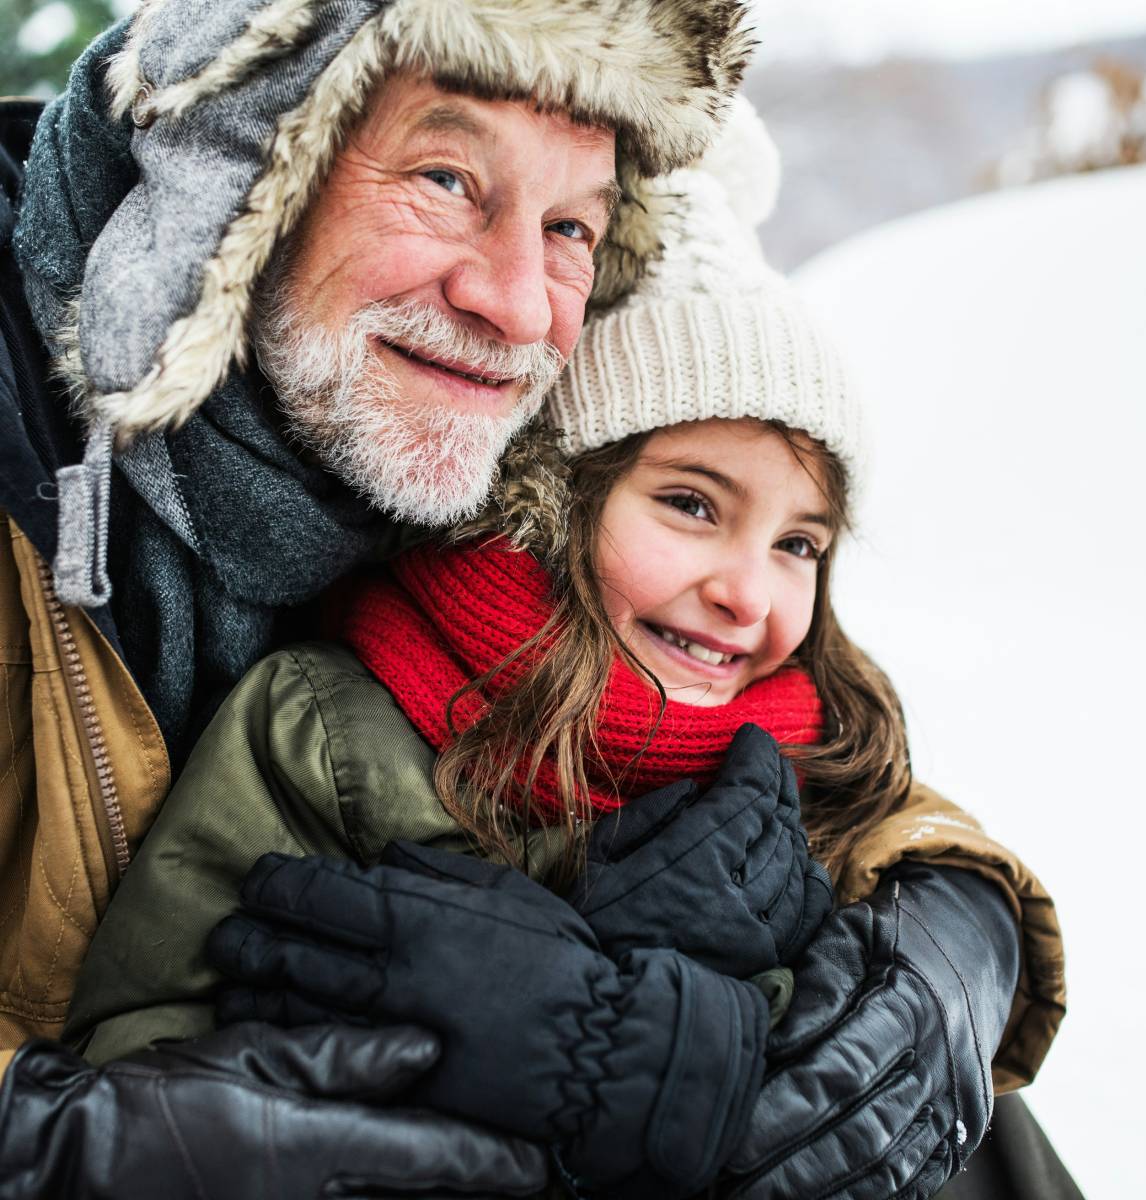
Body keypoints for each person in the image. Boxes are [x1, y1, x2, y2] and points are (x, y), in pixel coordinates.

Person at [62, 125, 1066, 1199]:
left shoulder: (820, 757)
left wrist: (960, 929)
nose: (749, 593)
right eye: (690, 504)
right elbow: (151, 1053)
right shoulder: (332, 729)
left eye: (799, 544)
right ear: (551, 501)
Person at [0, 2, 755, 1194]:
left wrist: (946, 936)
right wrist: (50, 1141)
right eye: (449, 178)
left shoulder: (520, 472)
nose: (514, 306)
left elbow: (804, 691)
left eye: (570, 226)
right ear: (248, 168)